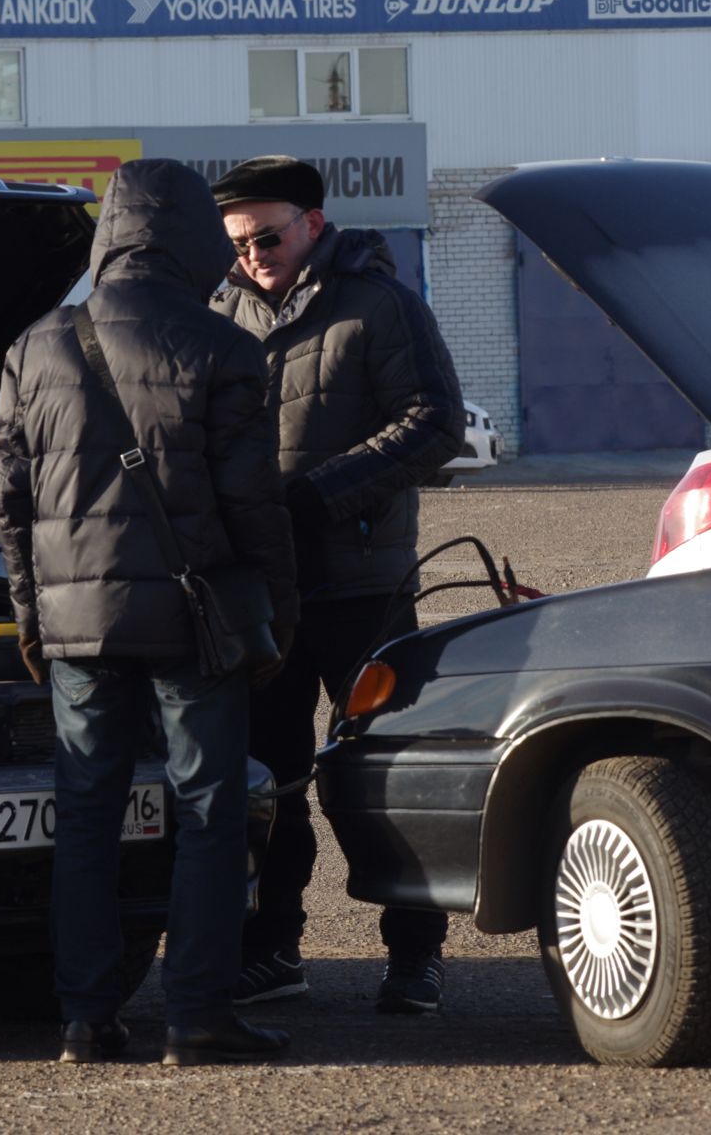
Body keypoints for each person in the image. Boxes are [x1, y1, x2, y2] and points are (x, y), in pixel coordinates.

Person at [0, 157, 300, 1067]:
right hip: (194, 623)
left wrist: (30, 620)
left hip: (77, 624)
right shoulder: (222, 347)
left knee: (86, 811)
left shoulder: (36, 345)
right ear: (196, 239)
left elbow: (8, 504)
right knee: (208, 811)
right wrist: (275, 614)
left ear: (110, 235)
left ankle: (86, 1019)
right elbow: (255, 507)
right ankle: (198, 1014)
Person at [209, 155, 465, 1014]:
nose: (254, 255)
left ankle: (415, 956)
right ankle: (274, 950)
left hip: (363, 587)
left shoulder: (382, 305)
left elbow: (433, 424)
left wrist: (318, 496)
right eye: (239, 242)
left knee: (382, 779)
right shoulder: (218, 312)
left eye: (268, 235)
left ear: (314, 223)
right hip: (263, 593)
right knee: (268, 785)